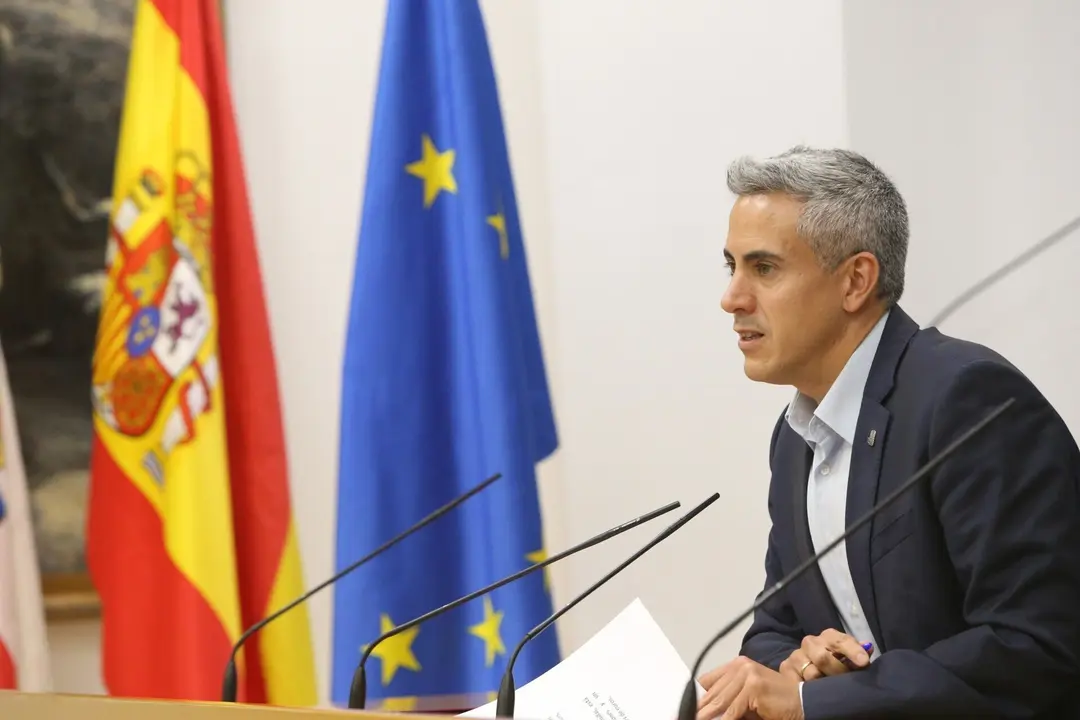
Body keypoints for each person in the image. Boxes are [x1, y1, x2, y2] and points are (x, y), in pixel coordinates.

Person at [696, 146, 1080, 720]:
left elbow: (1034, 645)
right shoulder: (796, 435)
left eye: (765, 268)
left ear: (855, 280)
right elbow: (775, 629)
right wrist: (805, 665)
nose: (733, 298)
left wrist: (819, 698)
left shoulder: (965, 399)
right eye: (732, 266)